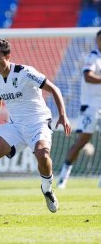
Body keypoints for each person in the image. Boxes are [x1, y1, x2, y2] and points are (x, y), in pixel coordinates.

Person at [0, 39, 71, 215]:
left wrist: (63, 115)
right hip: (16, 126)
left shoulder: (25, 72)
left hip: (38, 123)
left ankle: (47, 189)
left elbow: (54, 89)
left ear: (7, 56)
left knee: (43, 155)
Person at [57, 29, 101, 189]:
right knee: (82, 141)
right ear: (97, 41)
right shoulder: (93, 57)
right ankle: (63, 177)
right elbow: (88, 76)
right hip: (91, 107)